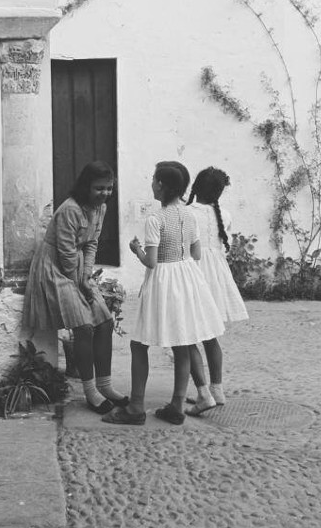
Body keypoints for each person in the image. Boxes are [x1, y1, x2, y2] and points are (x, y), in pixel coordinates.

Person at [102, 161, 225, 426]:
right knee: (182, 343)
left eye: (153, 179)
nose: (151, 184)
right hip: (187, 277)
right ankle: (177, 405)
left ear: (162, 185)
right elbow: (196, 253)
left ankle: (136, 407)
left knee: (139, 344)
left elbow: (151, 262)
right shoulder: (189, 216)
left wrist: (137, 251)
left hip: (163, 281)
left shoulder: (155, 219)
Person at [23, 160, 127, 414]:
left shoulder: (100, 208)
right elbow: (66, 252)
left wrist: (87, 276)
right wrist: (80, 284)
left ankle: (105, 385)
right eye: (99, 188)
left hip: (78, 268)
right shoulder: (70, 210)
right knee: (83, 325)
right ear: (86, 186)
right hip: (55, 268)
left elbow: (91, 243)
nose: (104, 193)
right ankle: (90, 392)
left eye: (109, 188)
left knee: (104, 321)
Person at [185, 166, 248, 415]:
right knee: (211, 335)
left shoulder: (187, 213)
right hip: (217, 277)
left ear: (195, 187)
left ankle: (203, 392)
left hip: (194, 274)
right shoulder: (225, 214)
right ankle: (217, 388)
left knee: (187, 335)